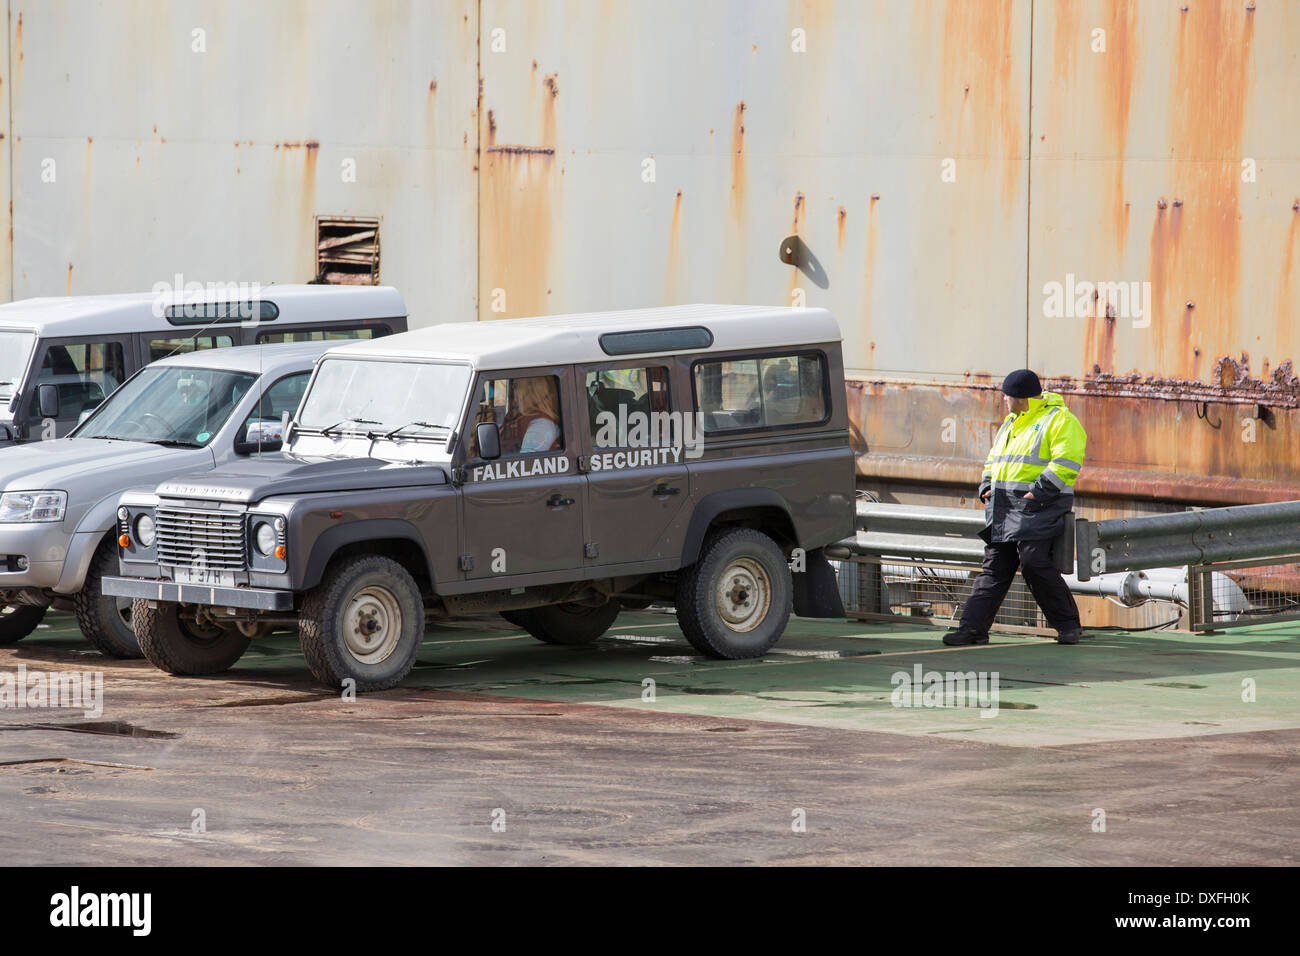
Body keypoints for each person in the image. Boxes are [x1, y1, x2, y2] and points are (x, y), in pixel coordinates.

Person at [945, 369, 1087, 646]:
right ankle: (972, 630)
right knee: (995, 567)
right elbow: (994, 460)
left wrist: (1040, 491)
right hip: (1004, 506)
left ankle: (1068, 626)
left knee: (1034, 562)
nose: (1005, 402)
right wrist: (986, 484)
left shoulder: (1059, 421)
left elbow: (1067, 461)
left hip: (1040, 505)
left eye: (1007, 397)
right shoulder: (1011, 423)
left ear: (1019, 397)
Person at [499, 376, 561, 453]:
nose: (513, 390)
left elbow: (528, 462)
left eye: (515, 386)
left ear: (529, 391)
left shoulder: (541, 424)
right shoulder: (518, 416)